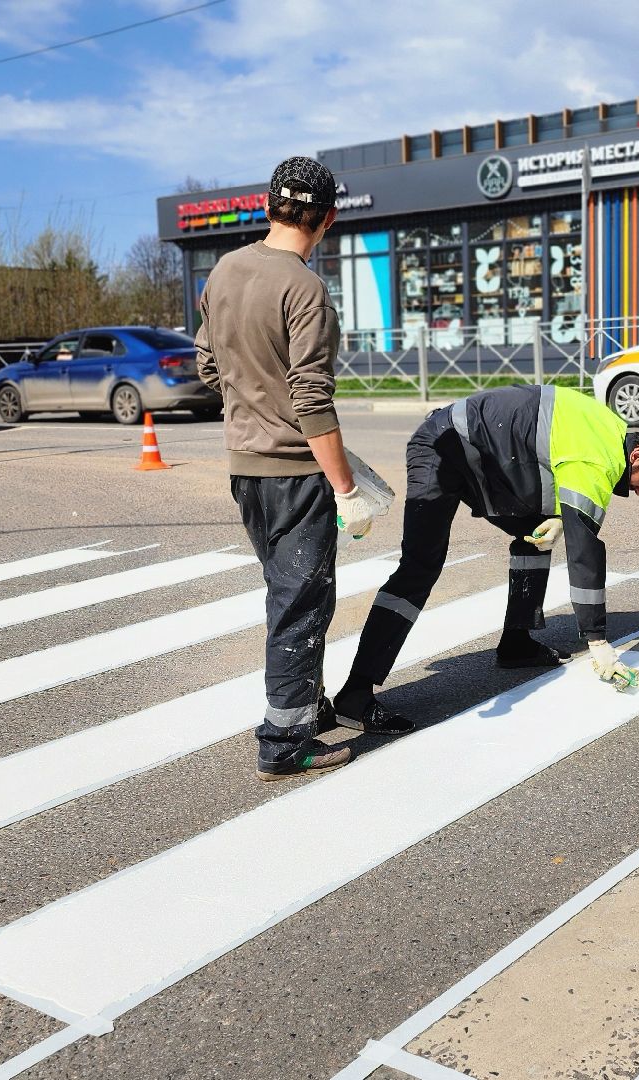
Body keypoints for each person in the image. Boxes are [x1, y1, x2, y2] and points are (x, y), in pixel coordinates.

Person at [195, 155, 407, 783]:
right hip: (295, 471)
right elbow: (312, 400)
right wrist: (346, 488)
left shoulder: (224, 271)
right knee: (301, 602)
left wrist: (253, 403)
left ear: (268, 207)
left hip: (246, 469)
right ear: (329, 219)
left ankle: (306, 706)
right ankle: (284, 741)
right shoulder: (304, 289)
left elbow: (208, 365)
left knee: (288, 590)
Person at [330, 384, 639, 729]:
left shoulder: (607, 434)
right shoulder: (600, 457)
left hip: (483, 455)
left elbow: (558, 466)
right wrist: (597, 639)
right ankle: (355, 694)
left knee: (533, 534)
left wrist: (560, 519)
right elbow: (584, 552)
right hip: (443, 446)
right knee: (419, 567)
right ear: (638, 456)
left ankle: (517, 643)